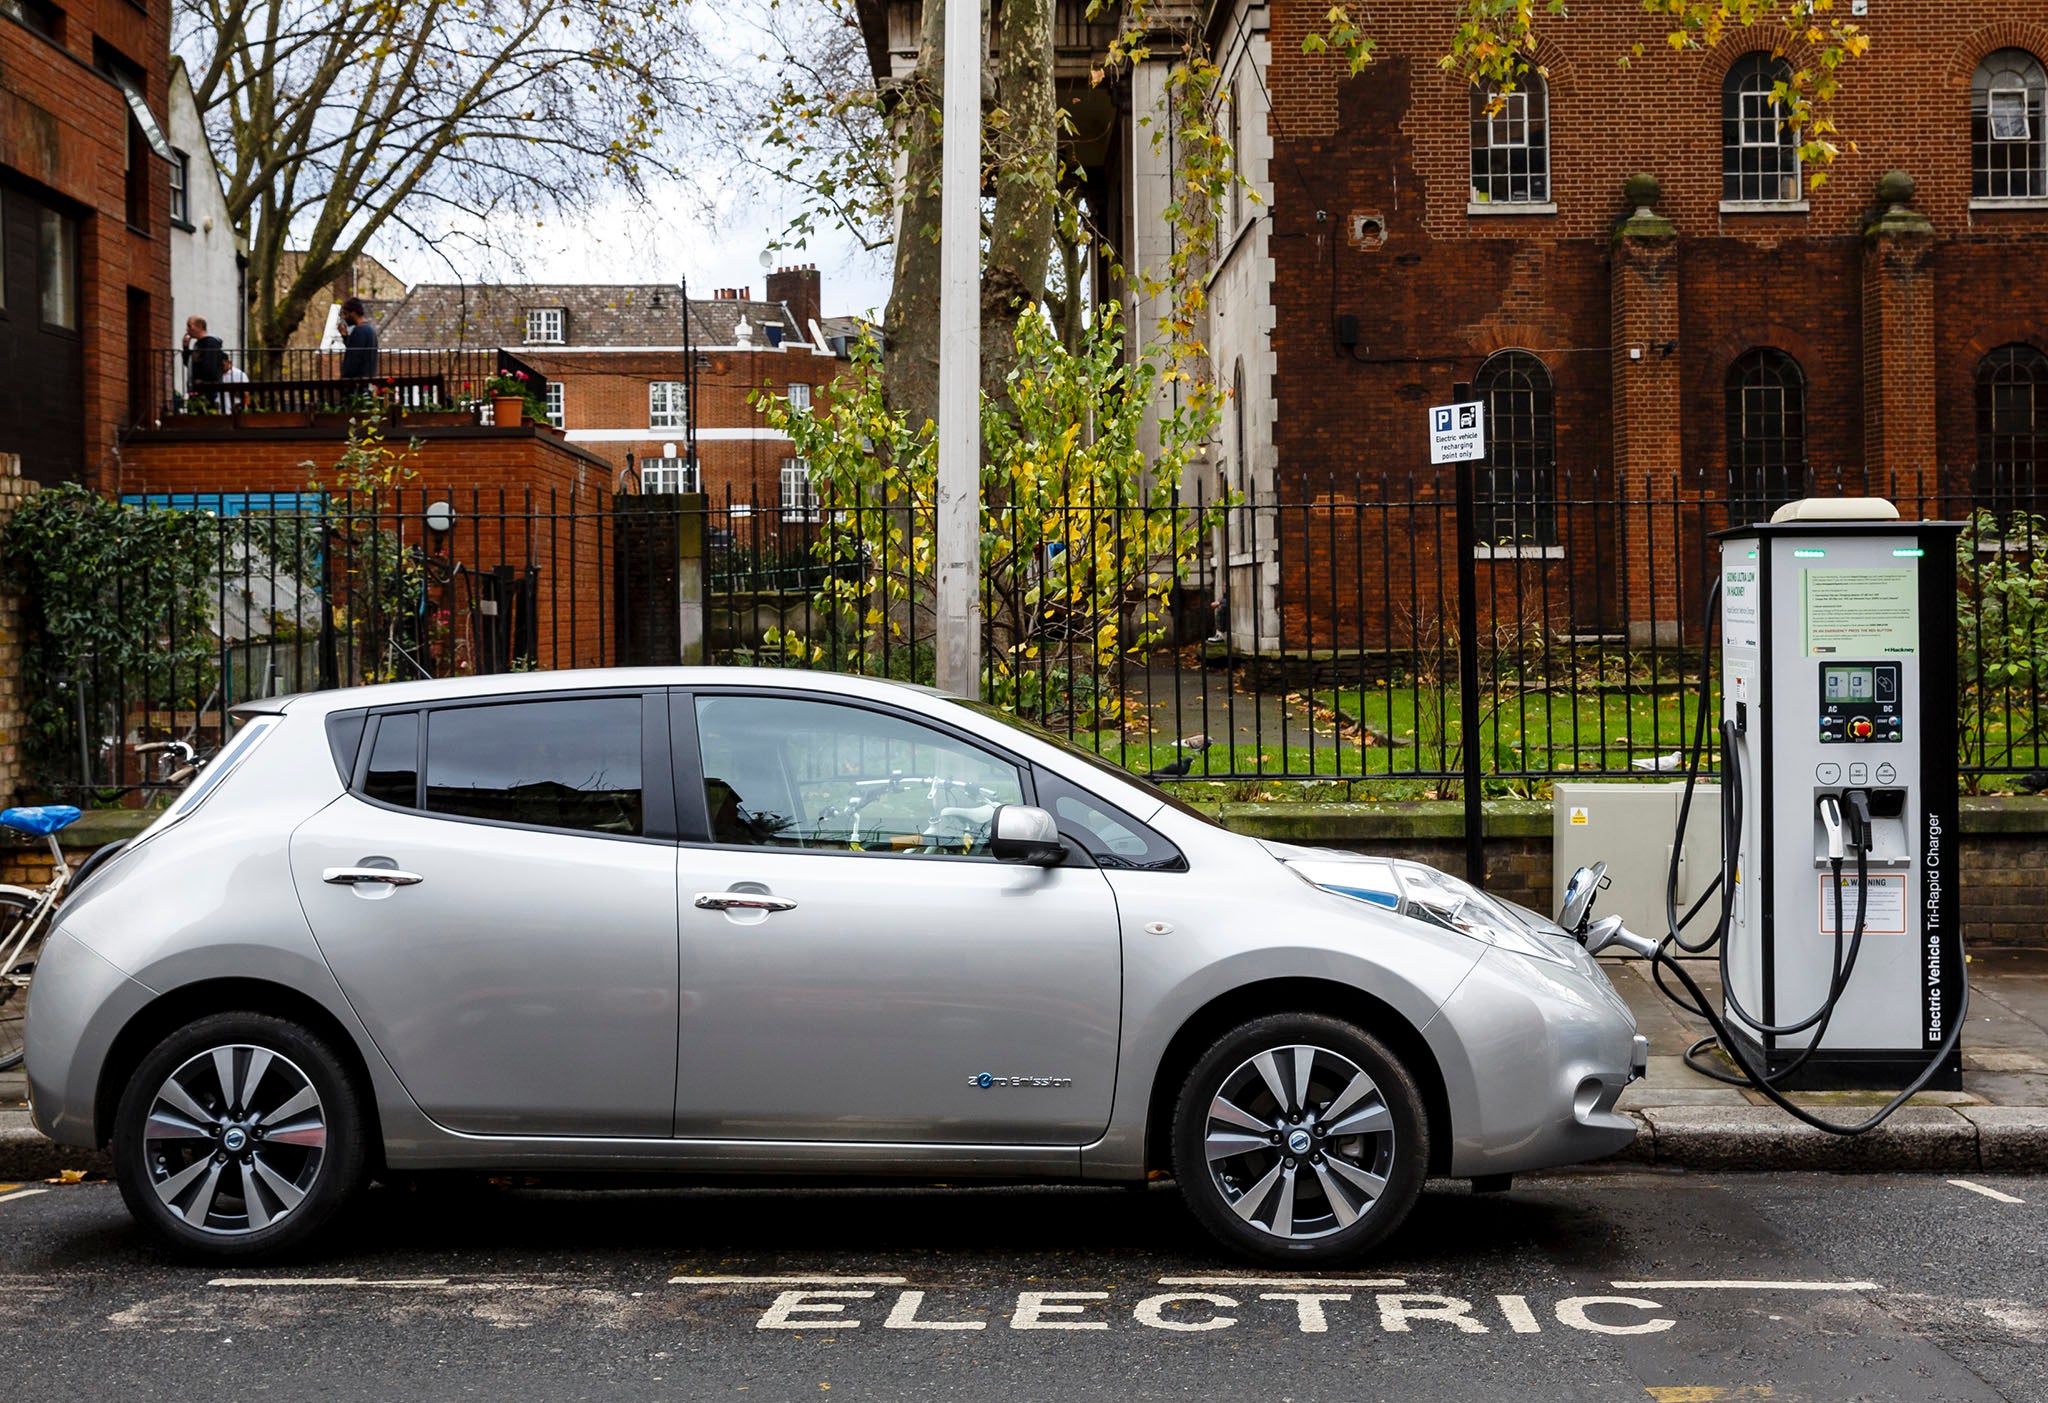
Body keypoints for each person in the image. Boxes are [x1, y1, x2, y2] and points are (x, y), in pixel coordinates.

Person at [180, 315, 225, 404]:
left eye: (189, 326)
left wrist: (202, 379)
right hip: (196, 388)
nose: (187, 330)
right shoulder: (198, 344)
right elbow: (189, 364)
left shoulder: (210, 342)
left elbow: (211, 365)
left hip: (207, 390)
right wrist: (186, 348)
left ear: (199, 327)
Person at [339, 297, 379, 381]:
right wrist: (345, 337)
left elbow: (353, 357)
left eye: (345, 314)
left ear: (353, 313)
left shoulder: (359, 331)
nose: (344, 317)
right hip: (368, 378)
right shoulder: (370, 330)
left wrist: (344, 377)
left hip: (357, 383)